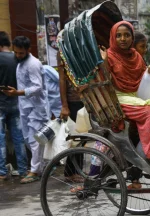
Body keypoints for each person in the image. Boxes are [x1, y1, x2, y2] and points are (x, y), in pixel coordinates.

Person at [99, 21, 150, 172]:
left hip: (137, 96)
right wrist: (104, 61)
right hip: (118, 98)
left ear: (132, 37)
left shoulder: (136, 56)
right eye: (118, 35)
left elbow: (143, 77)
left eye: (127, 35)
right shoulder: (109, 56)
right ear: (113, 37)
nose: (123, 39)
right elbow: (103, 81)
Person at [3, 36, 50, 184]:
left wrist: (18, 93)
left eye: (21, 53)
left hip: (36, 108)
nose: (17, 55)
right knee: (28, 140)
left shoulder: (33, 64)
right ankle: (41, 167)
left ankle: (35, 171)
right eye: (16, 52)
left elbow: (38, 87)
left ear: (28, 50)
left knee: (35, 140)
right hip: (24, 107)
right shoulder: (19, 63)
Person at [57, 18, 86, 184]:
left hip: (83, 99)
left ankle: (76, 170)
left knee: (81, 136)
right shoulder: (63, 49)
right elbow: (62, 79)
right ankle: (70, 172)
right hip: (72, 100)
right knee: (75, 137)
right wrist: (64, 105)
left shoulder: (80, 47)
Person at [0, 31, 27, 181]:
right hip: (15, 102)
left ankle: (2, 172)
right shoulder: (16, 58)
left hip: (0, 104)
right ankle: (23, 169)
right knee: (18, 137)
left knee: (0, 139)